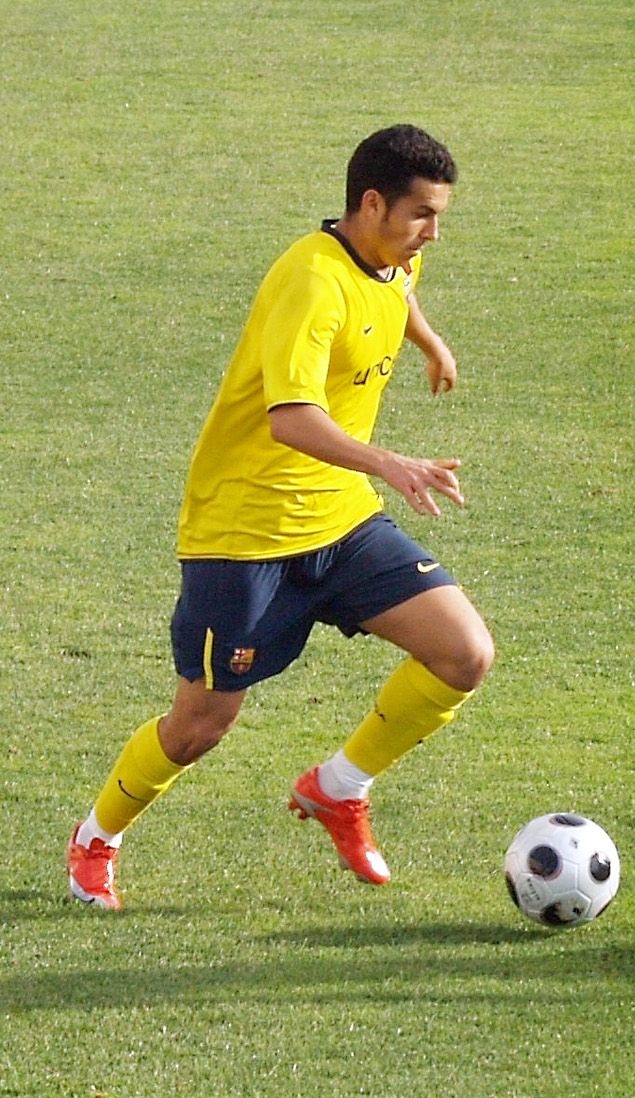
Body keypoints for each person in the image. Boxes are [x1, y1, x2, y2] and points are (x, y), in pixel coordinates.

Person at [67, 124, 494, 909]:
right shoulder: (308, 282)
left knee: (465, 653)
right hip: (244, 538)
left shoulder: (391, 252)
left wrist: (430, 341)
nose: (435, 232)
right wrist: (393, 463)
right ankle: (97, 836)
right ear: (371, 203)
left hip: (340, 521)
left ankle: (338, 788)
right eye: (423, 215)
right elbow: (290, 419)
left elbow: (396, 288)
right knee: (197, 728)